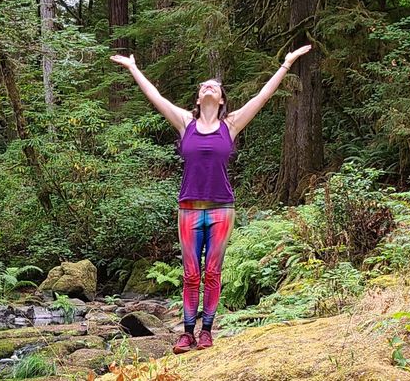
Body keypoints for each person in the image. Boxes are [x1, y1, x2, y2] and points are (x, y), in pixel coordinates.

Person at [110, 44, 312, 353]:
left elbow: (262, 97)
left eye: (214, 87)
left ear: (220, 99)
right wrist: (134, 68)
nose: (208, 87)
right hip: (188, 208)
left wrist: (286, 64)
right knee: (191, 274)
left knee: (213, 272)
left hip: (222, 209)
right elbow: (156, 98)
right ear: (198, 98)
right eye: (204, 85)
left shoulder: (230, 125)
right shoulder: (184, 123)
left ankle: (207, 331)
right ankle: (187, 333)